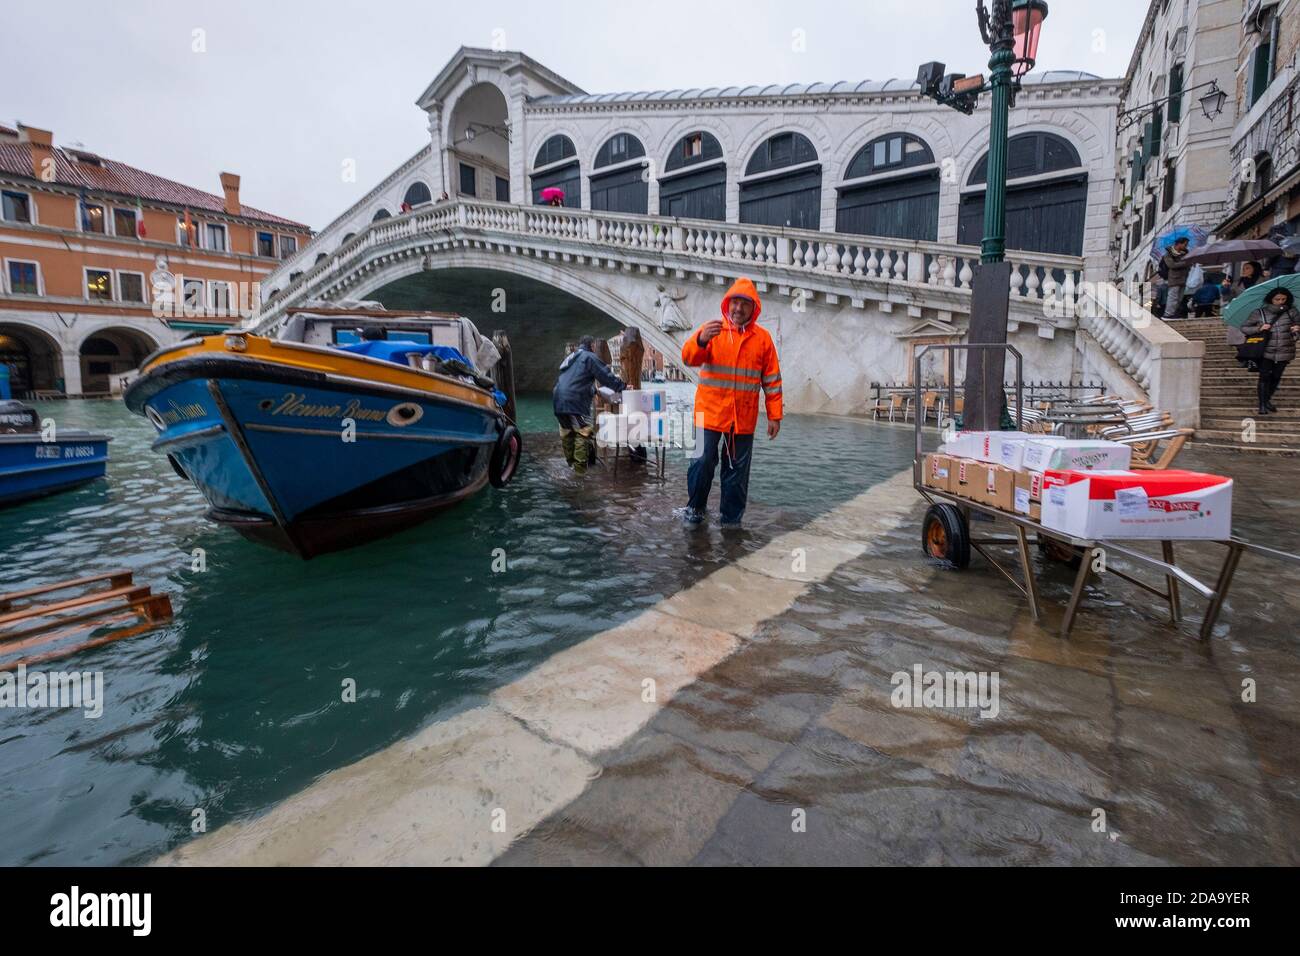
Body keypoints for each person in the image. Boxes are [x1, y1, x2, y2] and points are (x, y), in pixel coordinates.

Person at [679, 277, 782, 529]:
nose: (738, 309)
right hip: (705, 414)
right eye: (734, 303)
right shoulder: (712, 330)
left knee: (737, 471)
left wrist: (774, 415)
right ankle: (694, 509)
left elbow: (772, 380)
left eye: (744, 304)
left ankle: (731, 520)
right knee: (700, 462)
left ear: (753, 308)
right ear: (727, 304)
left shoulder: (763, 339)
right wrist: (701, 339)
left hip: (742, 418)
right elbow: (688, 357)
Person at [552, 335, 624, 475]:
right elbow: (605, 376)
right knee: (583, 432)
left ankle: (570, 465)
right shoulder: (589, 357)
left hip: (558, 398)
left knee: (567, 432)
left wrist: (593, 390)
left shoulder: (572, 357)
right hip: (574, 400)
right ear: (592, 346)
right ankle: (578, 472)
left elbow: (574, 380)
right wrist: (623, 387)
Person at [1240, 287, 1299, 415]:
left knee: (1276, 377)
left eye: (1284, 299)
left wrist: (1296, 330)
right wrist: (1259, 328)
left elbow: (1296, 332)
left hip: (1285, 349)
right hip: (1265, 350)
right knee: (1264, 376)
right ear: (1271, 299)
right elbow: (1244, 328)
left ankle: (1267, 400)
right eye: (1277, 299)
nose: (1281, 301)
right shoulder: (1259, 312)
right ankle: (1262, 405)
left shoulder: (1292, 312)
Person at [1161, 237, 1191, 319]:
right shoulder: (1168, 254)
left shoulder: (1185, 253)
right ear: (1179, 244)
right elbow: (1171, 265)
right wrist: (1185, 263)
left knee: (1179, 298)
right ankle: (1168, 314)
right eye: (1185, 244)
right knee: (1173, 297)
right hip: (1174, 279)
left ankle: (1173, 313)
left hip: (1183, 278)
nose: (1186, 246)